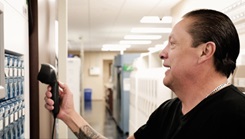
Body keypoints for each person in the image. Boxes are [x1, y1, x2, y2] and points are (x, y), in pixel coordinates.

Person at [44, 9, 245, 139]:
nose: (162, 53)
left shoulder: (236, 115)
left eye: (173, 43)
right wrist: (69, 114)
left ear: (205, 52)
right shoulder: (169, 110)